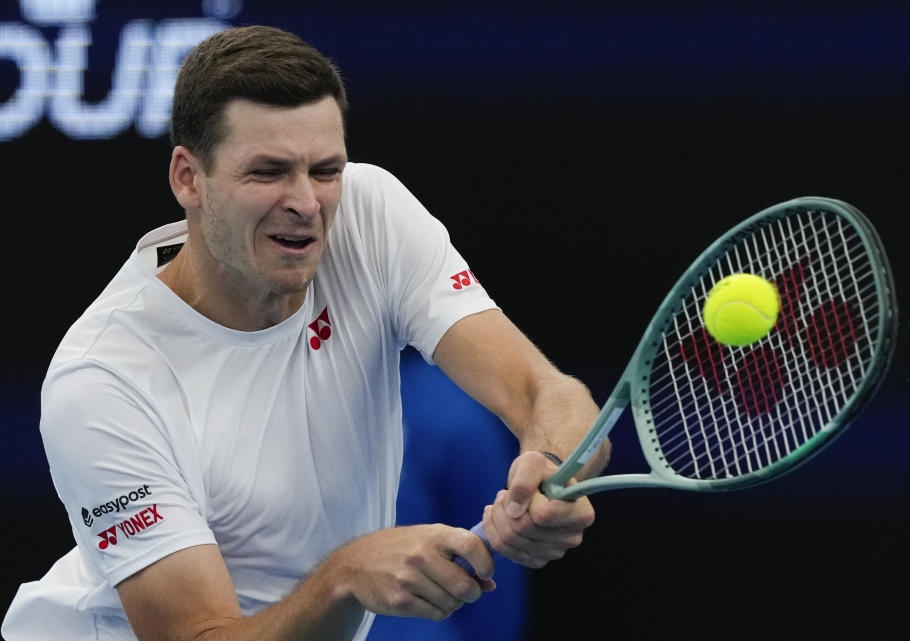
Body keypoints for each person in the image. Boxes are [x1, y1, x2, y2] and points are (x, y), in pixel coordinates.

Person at [2, 25, 610, 641]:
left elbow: (544, 392)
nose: (306, 203)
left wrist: (554, 469)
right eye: (267, 172)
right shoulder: (102, 379)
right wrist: (343, 577)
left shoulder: (370, 213)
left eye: (325, 170)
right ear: (188, 178)